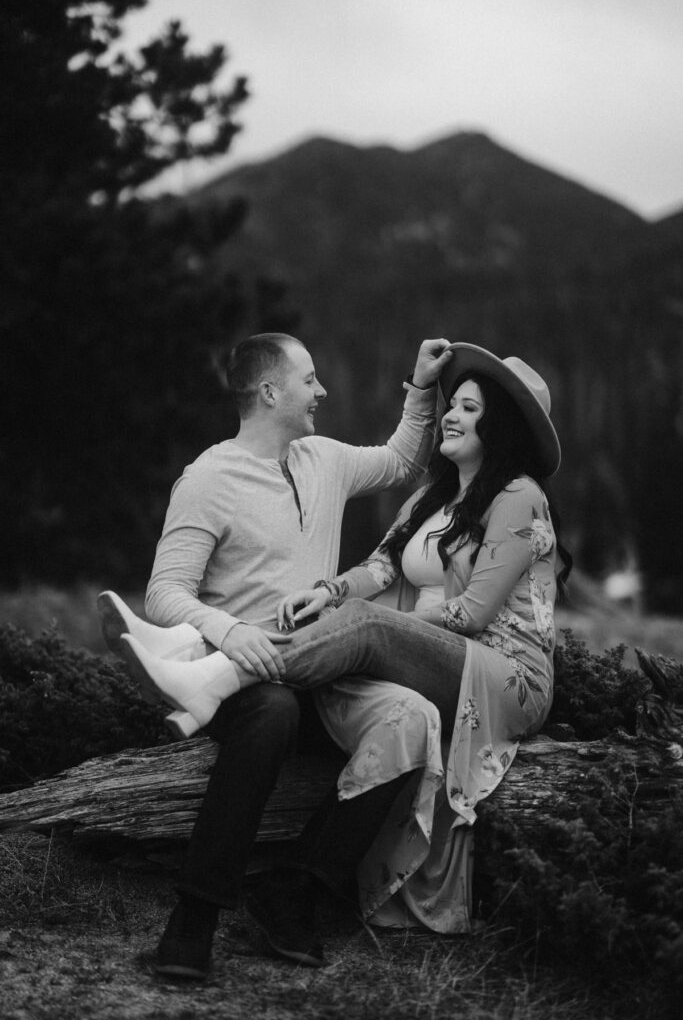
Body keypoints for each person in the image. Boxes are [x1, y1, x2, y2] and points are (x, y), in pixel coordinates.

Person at [120, 342, 571, 938]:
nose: (450, 416)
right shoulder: (431, 498)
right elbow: (382, 568)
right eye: (452, 405)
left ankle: (208, 679)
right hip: (382, 661)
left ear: (502, 426)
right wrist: (330, 595)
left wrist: (375, 626)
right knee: (362, 697)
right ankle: (263, 900)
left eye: (469, 408)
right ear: (270, 393)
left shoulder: (517, 494)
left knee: (384, 661)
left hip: (501, 670)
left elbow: (467, 610)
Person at [99, 331, 453, 978]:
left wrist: (423, 387)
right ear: (269, 391)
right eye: (309, 379)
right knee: (272, 714)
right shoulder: (208, 478)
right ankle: (192, 924)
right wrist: (231, 634)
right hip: (245, 682)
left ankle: (293, 891)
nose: (321, 391)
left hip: (323, 667)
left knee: (411, 717)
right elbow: (165, 594)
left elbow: (402, 462)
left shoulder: (323, 459)